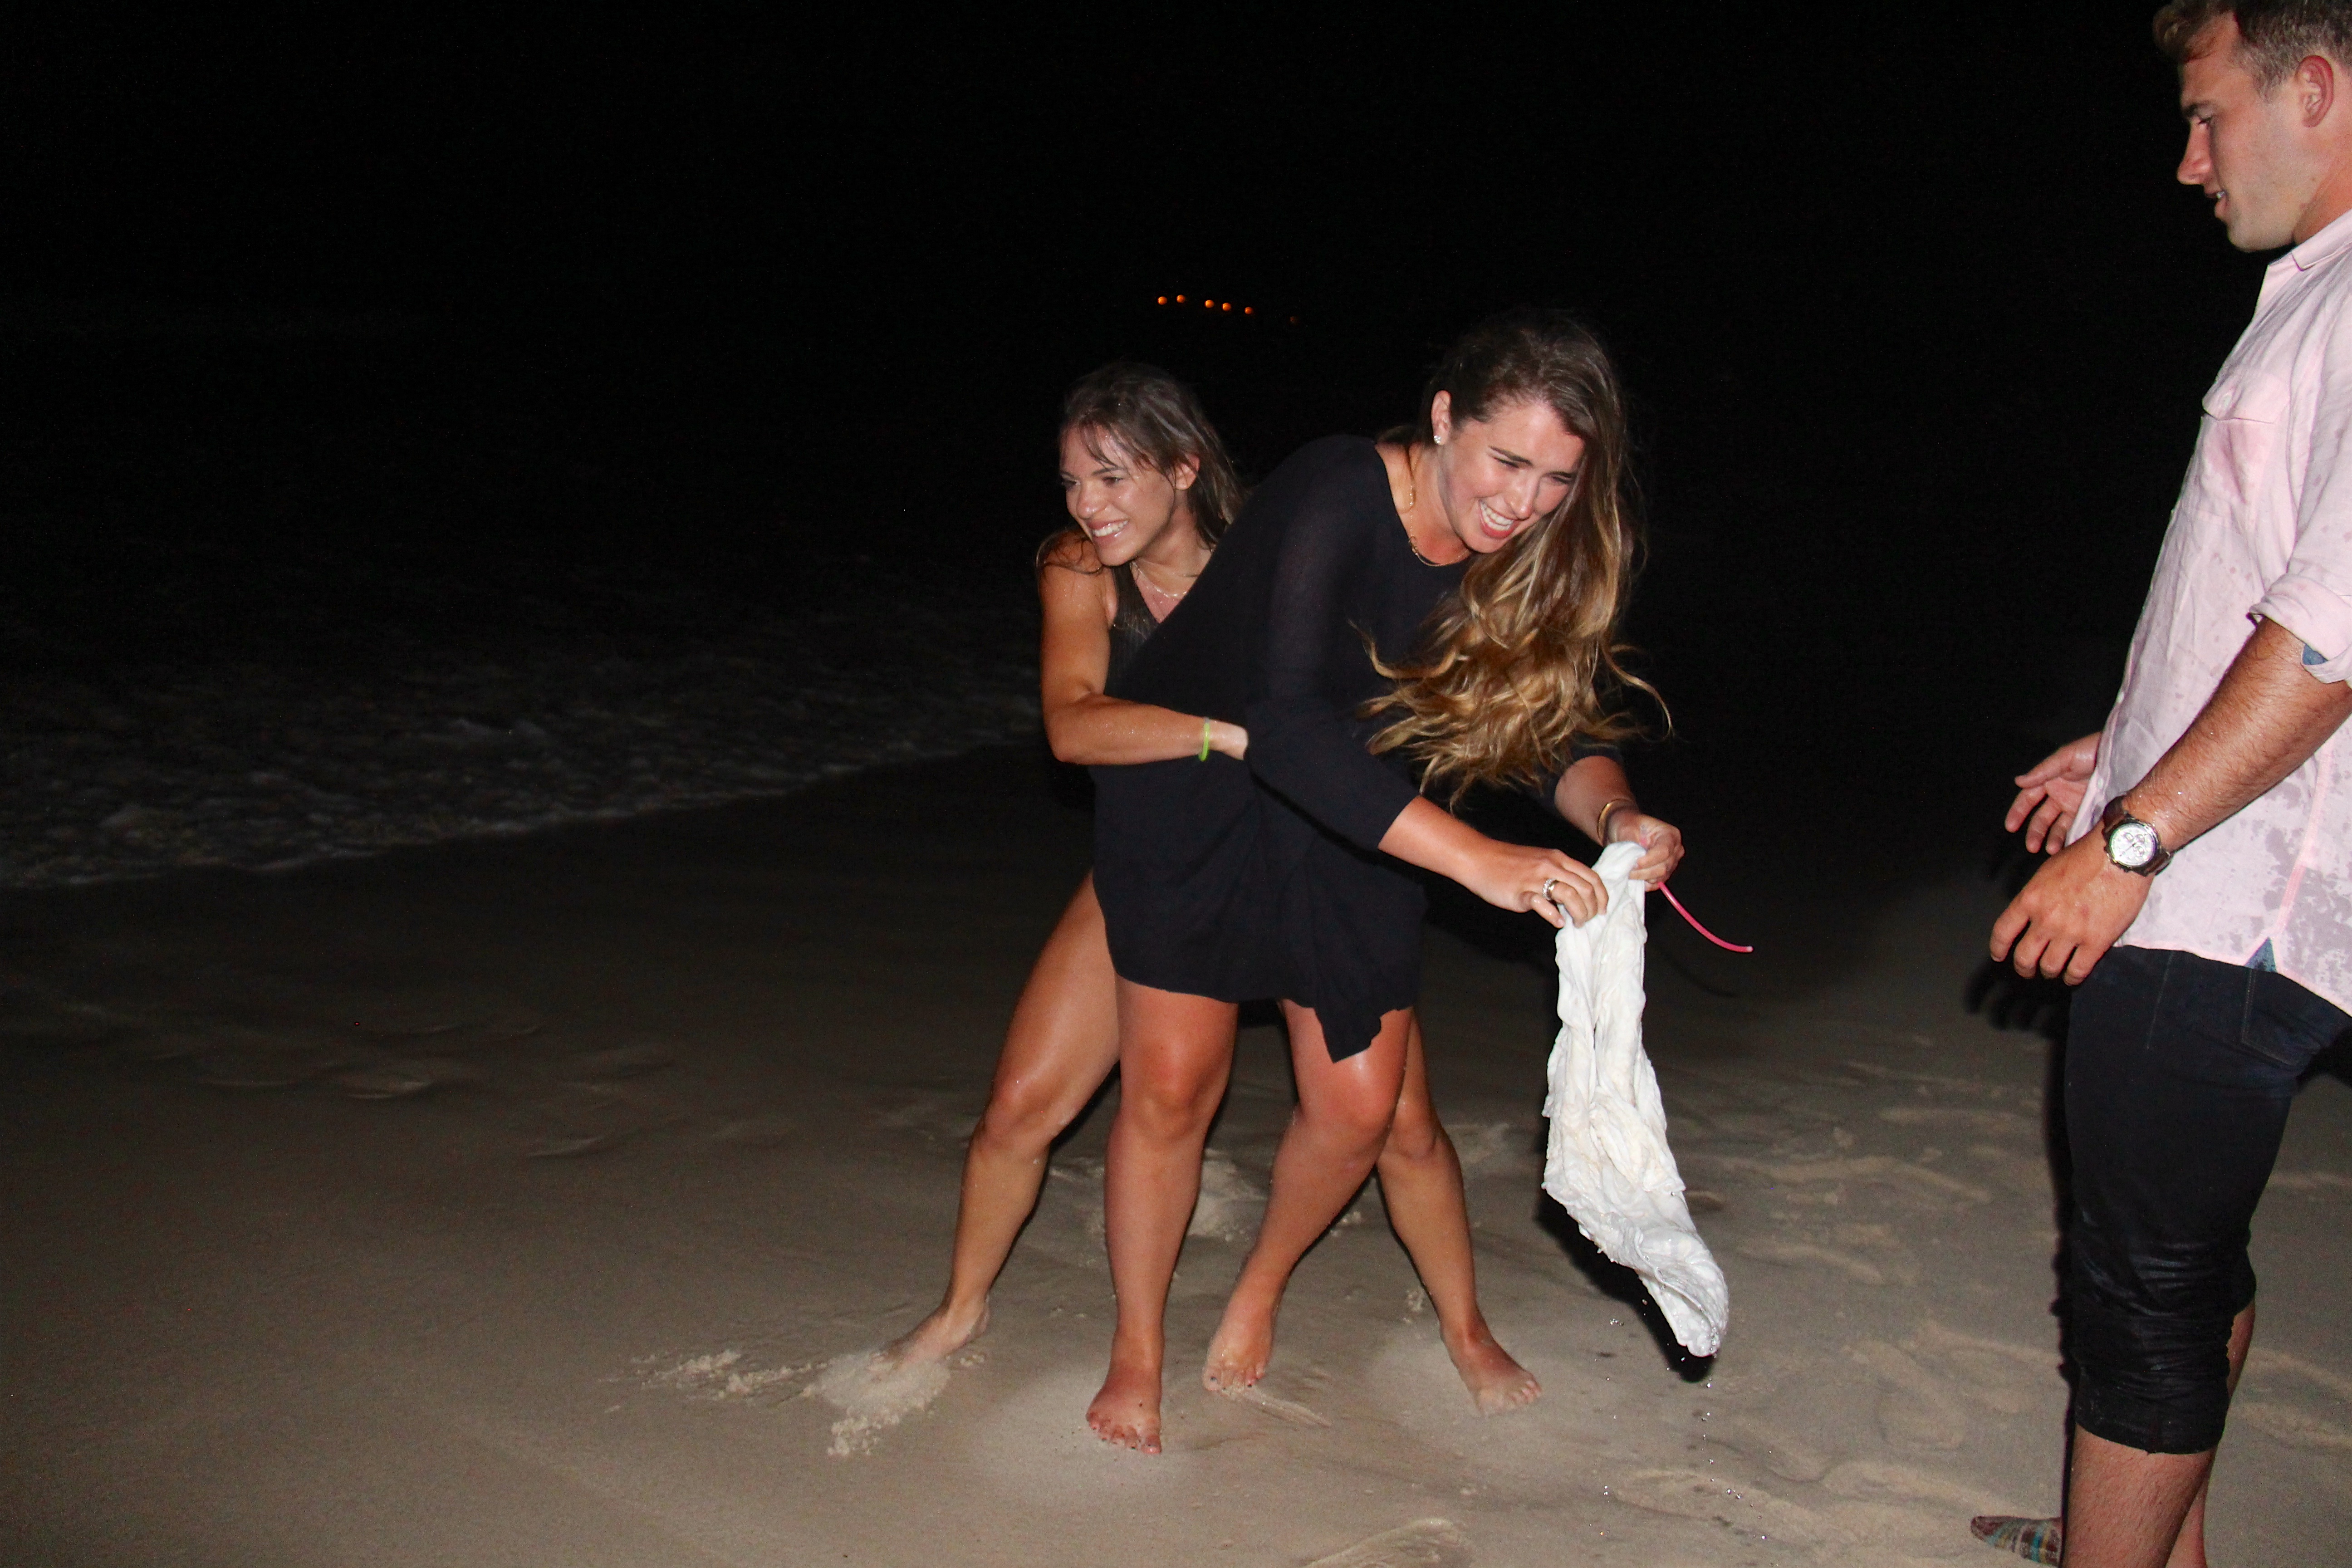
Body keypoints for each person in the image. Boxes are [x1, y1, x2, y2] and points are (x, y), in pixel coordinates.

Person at [882, 364, 1538, 1440]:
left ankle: (1466, 1327)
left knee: (1398, 1120)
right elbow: (1073, 727)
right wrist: (1231, 736)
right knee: (1022, 1108)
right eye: (1072, 481)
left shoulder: (1272, 548)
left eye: (1113, 477)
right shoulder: (1077, 570)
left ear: (1185, 469)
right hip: (1160, 860)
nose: (1089, 505)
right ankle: (961, 1311)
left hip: (1300, 851)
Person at [1087, 309, 1687, 1452]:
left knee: (1360, 1109)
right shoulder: (1338, 487)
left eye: (1557, 480)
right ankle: (1138, 1349)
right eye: (1507, 461)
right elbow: (1287, 723)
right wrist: (1482, 862)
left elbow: (1556, 732)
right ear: (1445, 417)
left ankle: (1261, 1283)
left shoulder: (1525, 556)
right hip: (1199, 791)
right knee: (1168, 1093)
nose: (1524, 501)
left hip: (1360, 814)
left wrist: (1616, 815)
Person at [1984, 6, 2352, 1565]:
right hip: (2230, 854)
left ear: (2315, 88)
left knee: (2137, 1288)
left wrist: (2133, 837)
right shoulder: (2315, 292)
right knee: (2184, 1259)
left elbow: (2333, 630)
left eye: (2209, 116)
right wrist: (2129, 739)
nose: (2188, 161)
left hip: (2224, 899)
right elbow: (2265, 593)